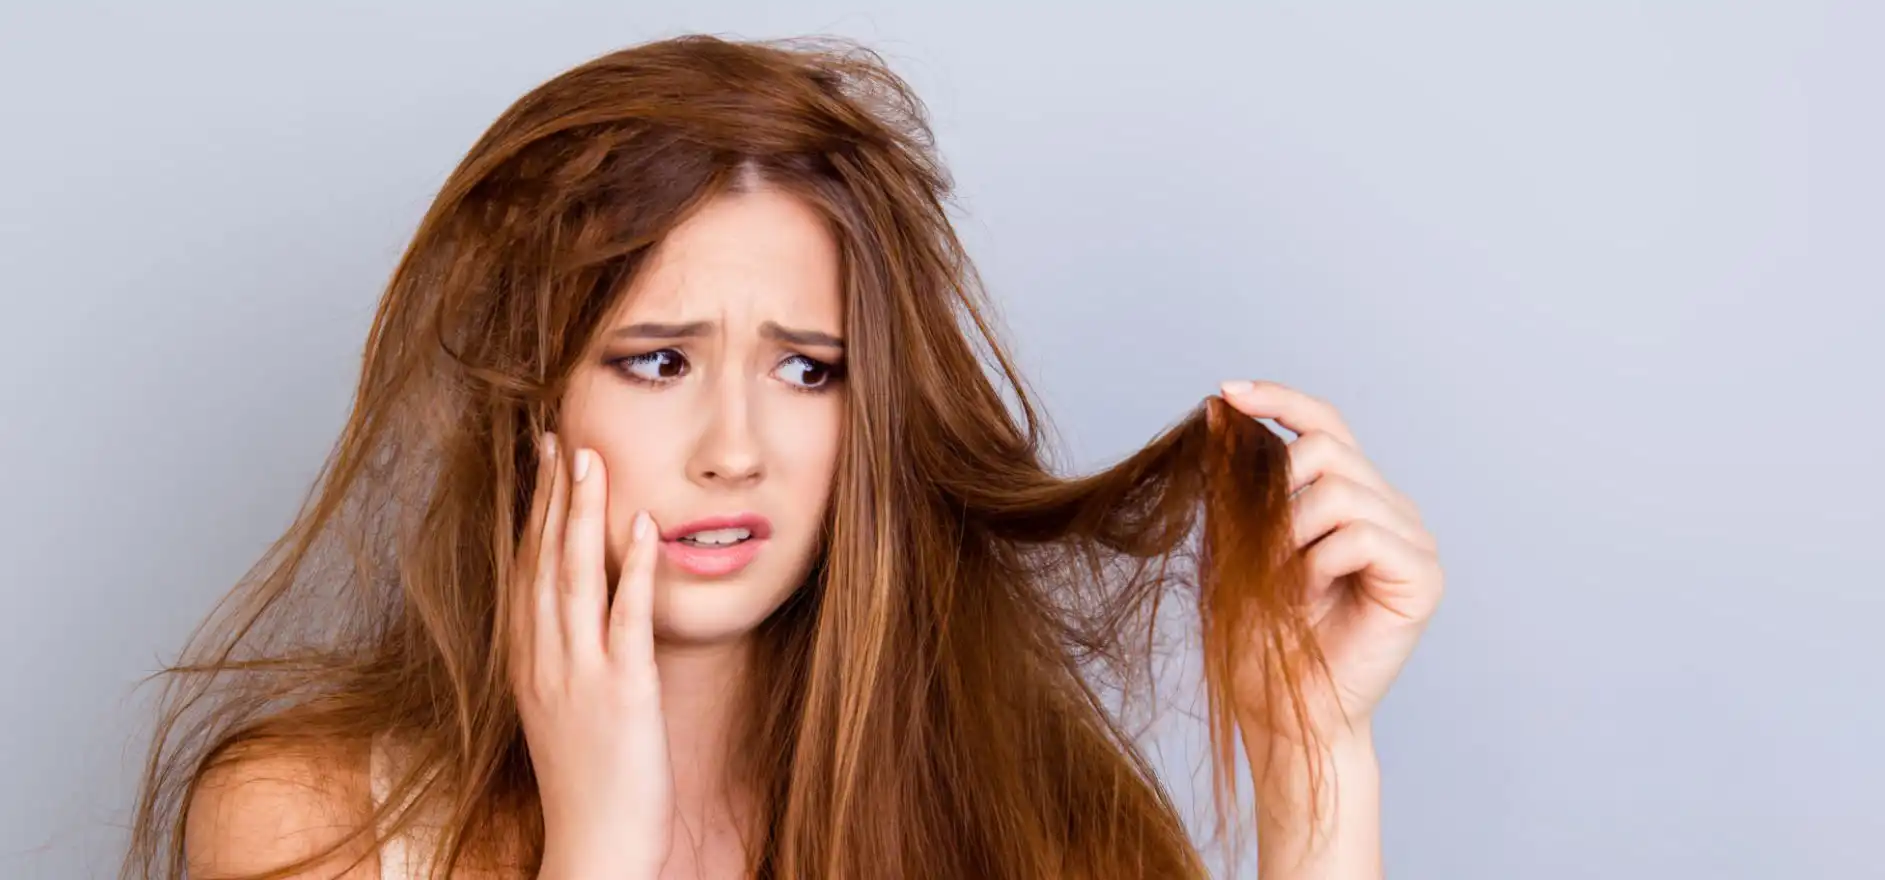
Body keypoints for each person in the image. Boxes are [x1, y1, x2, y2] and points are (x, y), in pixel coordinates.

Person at [124, 34, 1445, 880]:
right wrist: (601, 846)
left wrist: (1311, 762)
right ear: (529, 400)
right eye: (658, 360)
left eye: (808, 369)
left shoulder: (1035, 826)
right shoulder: (307, 825)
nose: (736, 450)